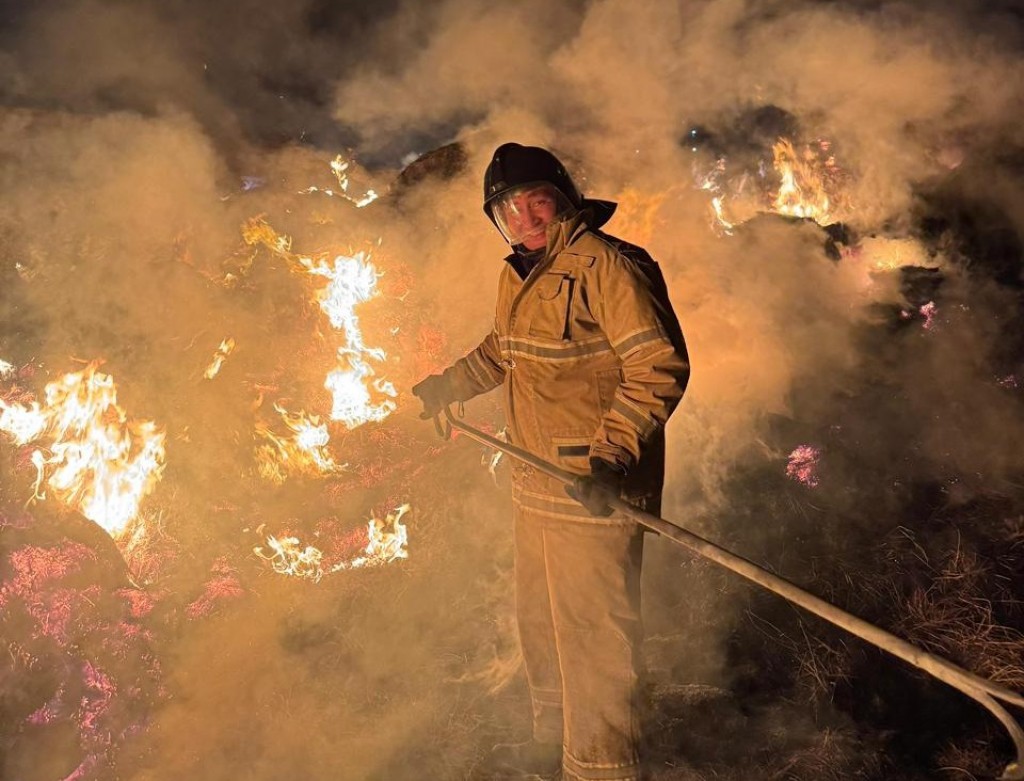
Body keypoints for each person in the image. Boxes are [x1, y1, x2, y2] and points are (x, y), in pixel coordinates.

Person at [413, 143, 689, 781]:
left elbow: (657, 368)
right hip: (535, 486)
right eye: (509, 207)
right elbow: (501, 351)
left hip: (593, 487)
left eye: (537, 199)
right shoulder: (521, 273)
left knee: (595, 637)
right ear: (499, 220)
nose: (526, 216)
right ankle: (555, 745)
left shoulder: (610, 267)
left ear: (563, 198)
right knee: (542, 624)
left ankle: (601, 767)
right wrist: (447, 386)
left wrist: (611, 458)